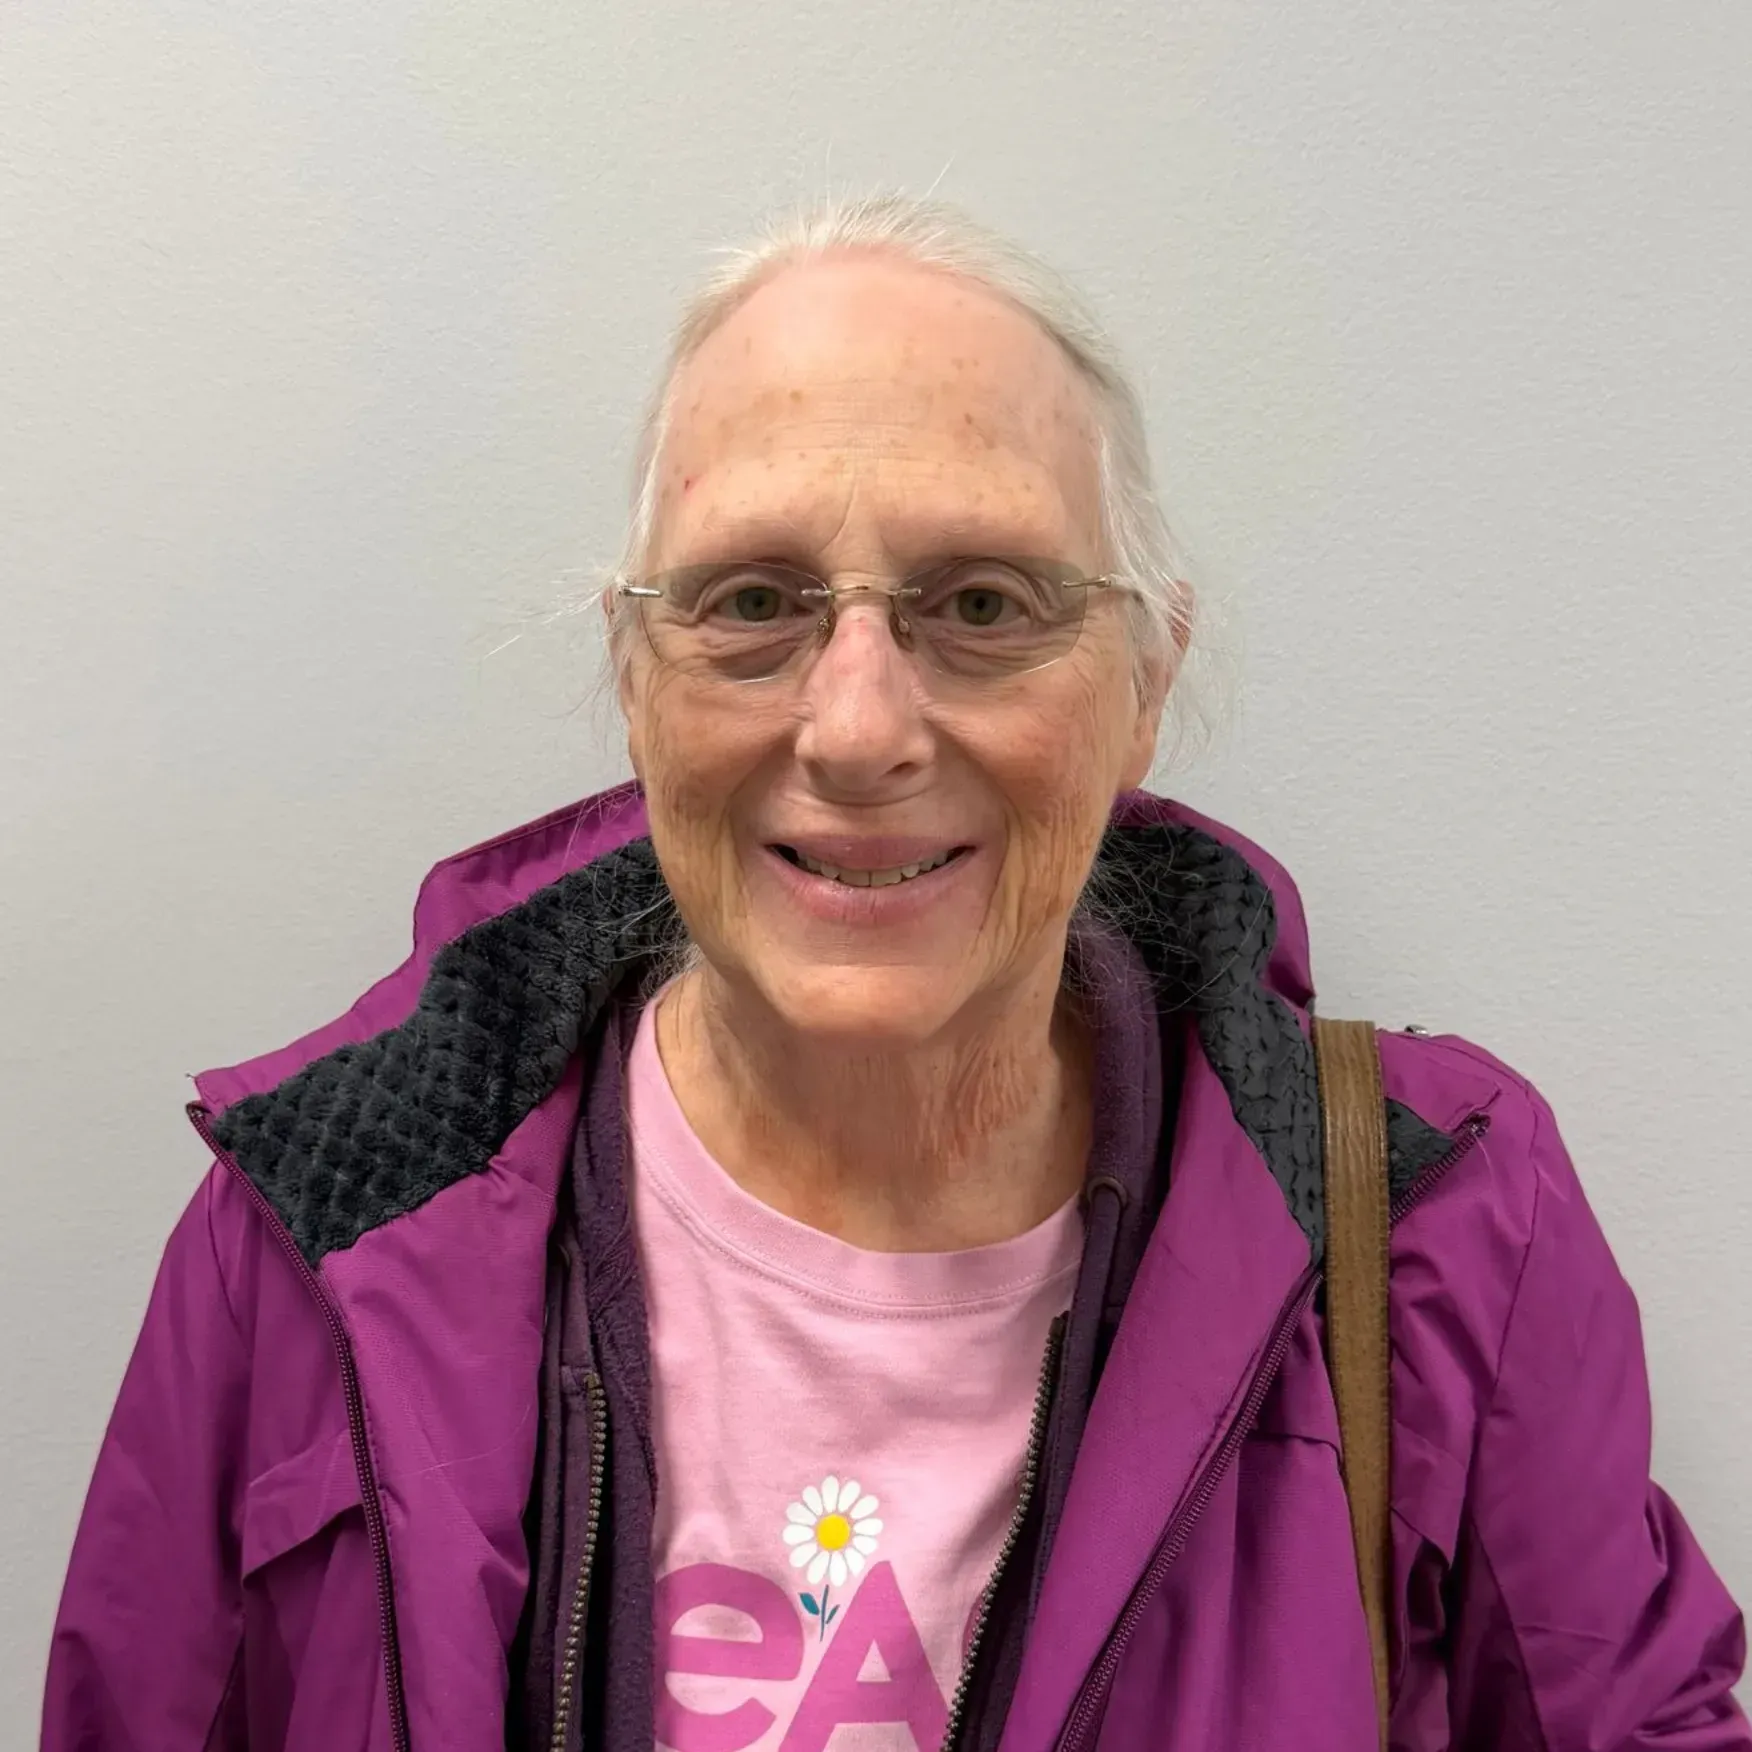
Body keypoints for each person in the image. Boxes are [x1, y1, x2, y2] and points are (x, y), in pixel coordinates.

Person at [43, 194, 1747, 1752]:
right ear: (635, 680)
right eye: (752, 601)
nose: (857, 729)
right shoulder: (318, 1230)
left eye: (984, 604)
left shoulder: (1441, 1233)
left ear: (1146, 685)